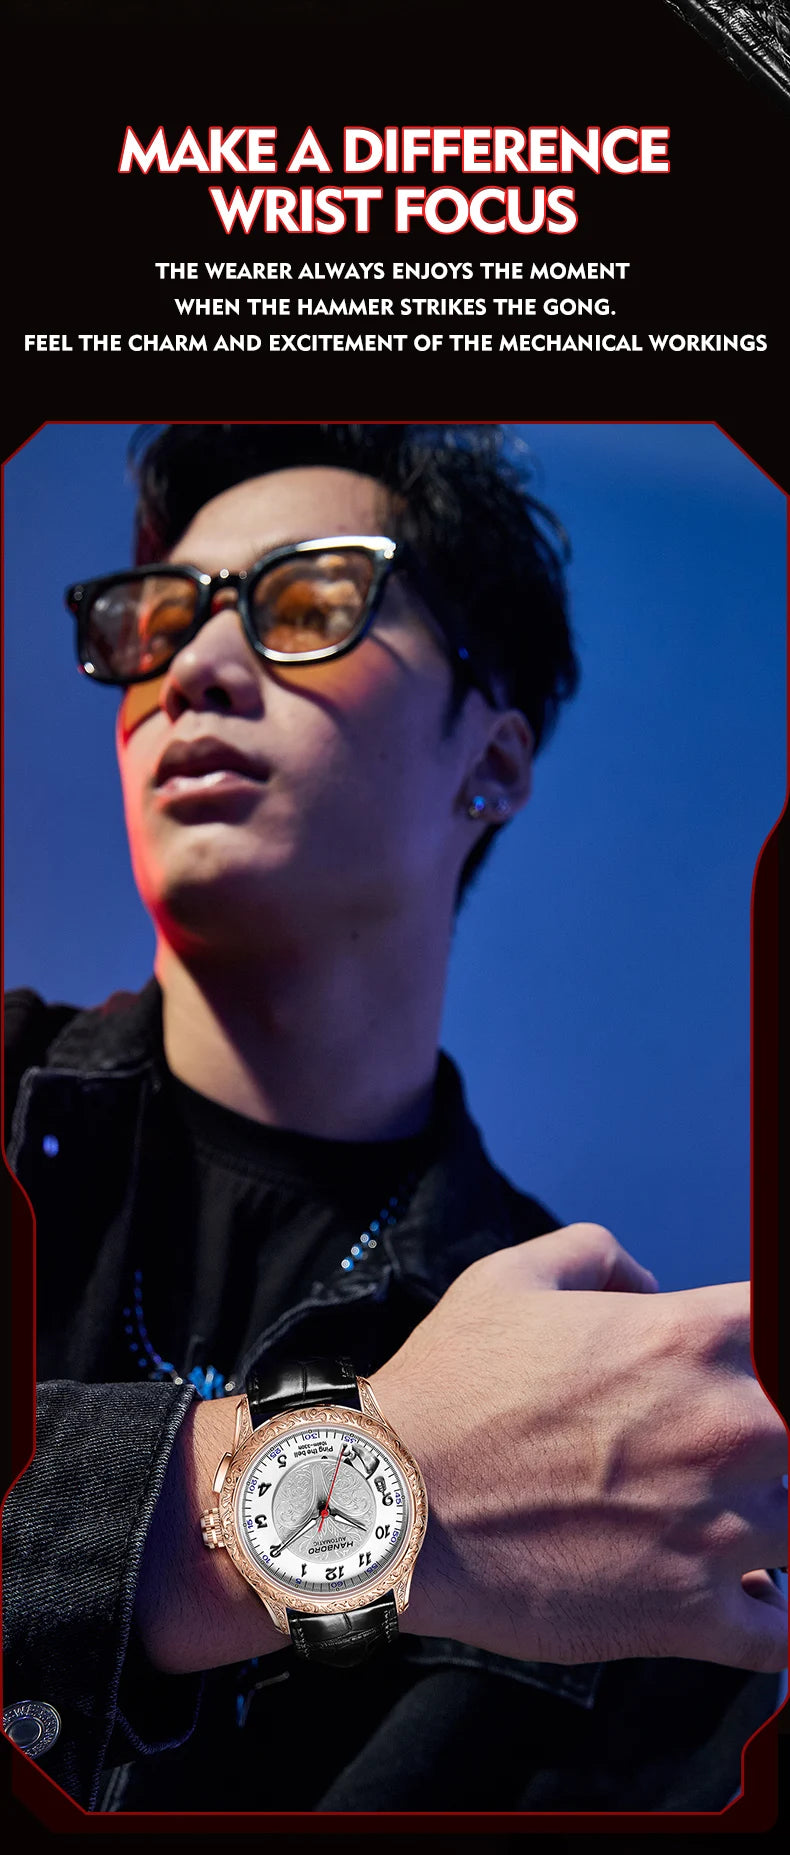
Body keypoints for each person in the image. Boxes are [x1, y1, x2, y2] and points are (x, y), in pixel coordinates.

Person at [3, 424, 786, 1816]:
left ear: (494, 759)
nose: (197, 666)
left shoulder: (608, 1412)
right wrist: (386, 1484)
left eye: (311, 602)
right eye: (160, 620)